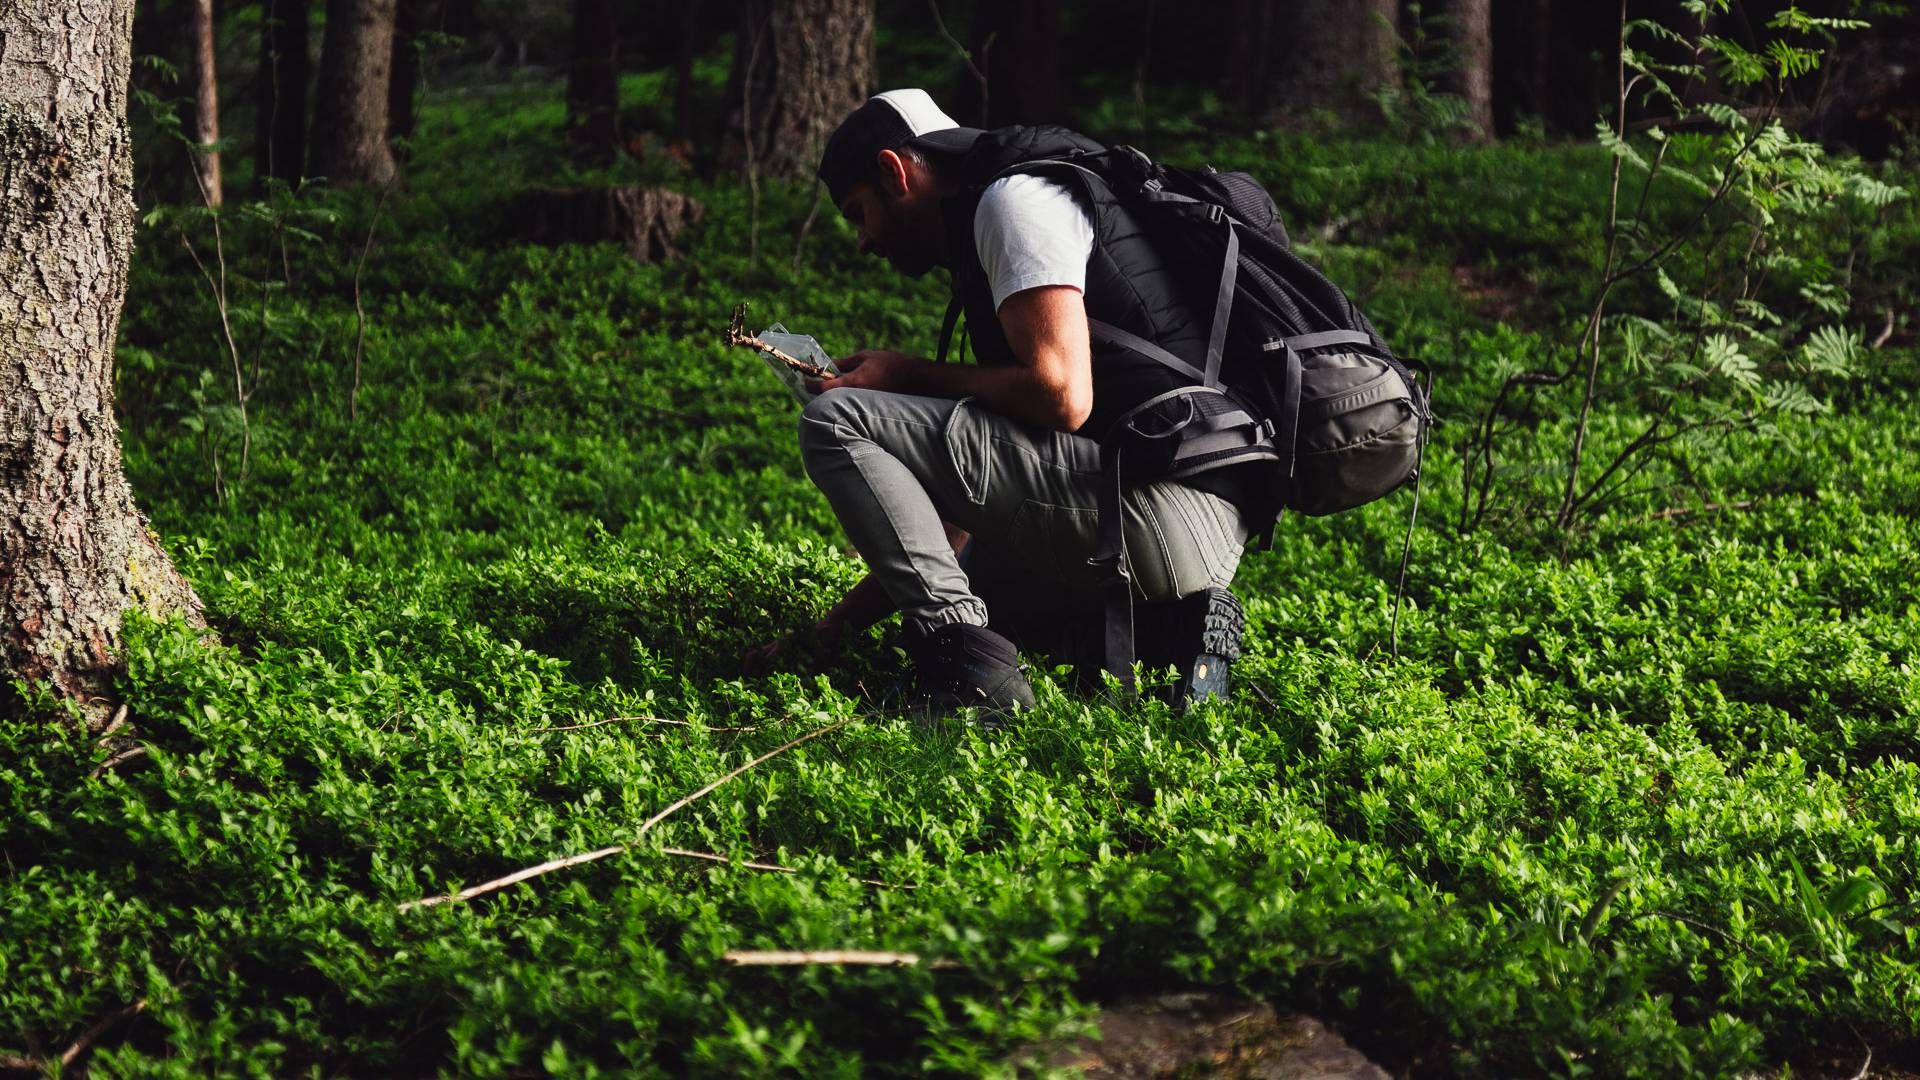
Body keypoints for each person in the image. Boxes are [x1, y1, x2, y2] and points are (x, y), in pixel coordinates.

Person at [753, 88, 1256, 716]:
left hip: (1154, 512)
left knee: (836, 420)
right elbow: (957, 520)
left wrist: (903, 373)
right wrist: (830, 632)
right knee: (980, 587)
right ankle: (1173, 637)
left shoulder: (1012, 205)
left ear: (894, 171)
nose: (862, 241)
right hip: (1194, 523)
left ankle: (965, 670)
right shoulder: (1017, 204)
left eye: (858, 213)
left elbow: (1061, 394)